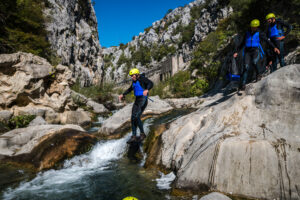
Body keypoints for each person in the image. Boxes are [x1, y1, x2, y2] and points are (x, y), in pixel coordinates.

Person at [233, 19, 280, 90]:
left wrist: (274, 47)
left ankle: (258, 74)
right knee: (246, 66)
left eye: (254, 27)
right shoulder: (247, 33)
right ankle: (243, 84)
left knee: (254, 62)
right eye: (252, 26)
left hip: (255, 50)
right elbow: (242, 43)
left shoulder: (260, 33)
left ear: (257, 27)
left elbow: (267, 41)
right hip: (247, 51)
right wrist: (236, 51)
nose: (253, 28)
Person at [119, 68, 153, 143]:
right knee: (132, 117)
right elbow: (130, 89)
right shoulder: (134, 81)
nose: (132, 77)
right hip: (137, 100)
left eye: (133, 75)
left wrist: (147, 89)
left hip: (143, 99)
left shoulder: (142, 79)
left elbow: (151, 83)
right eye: (131, 76)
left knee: (137, 116)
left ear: (137, 74)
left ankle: (142, 134)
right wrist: (123, 94)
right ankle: (134, 136)